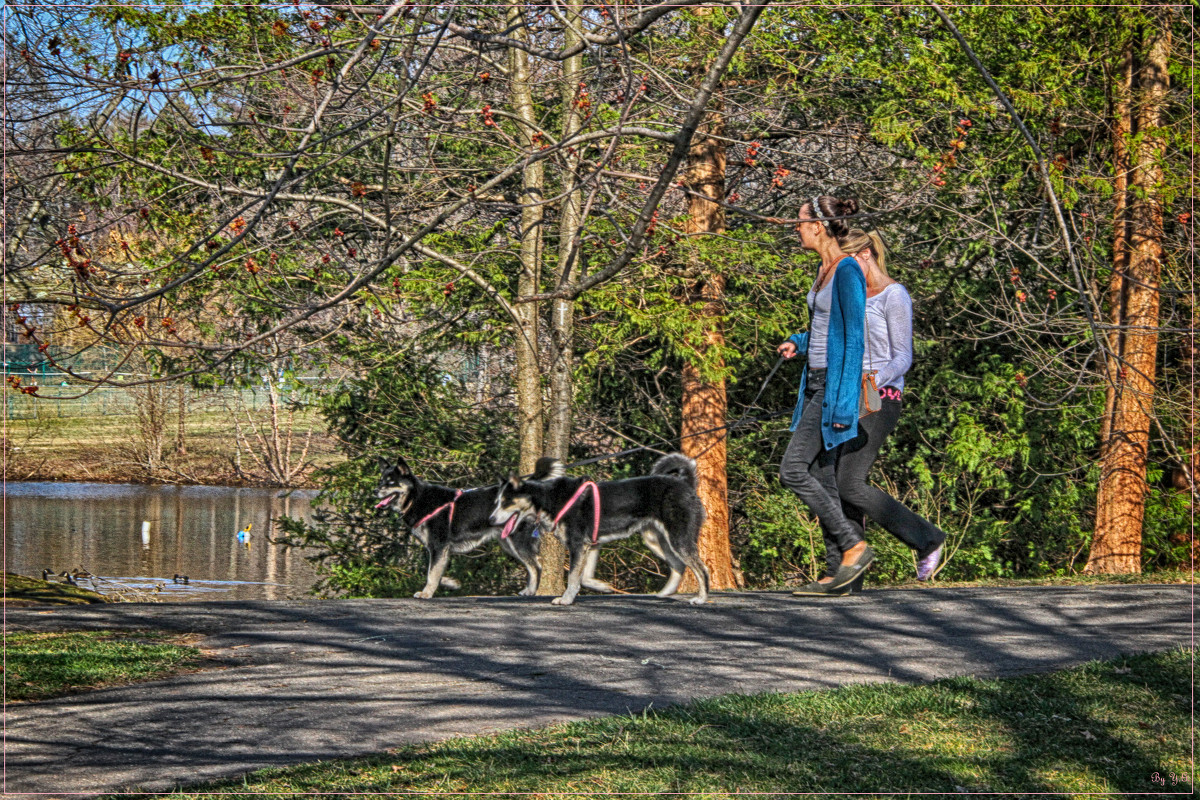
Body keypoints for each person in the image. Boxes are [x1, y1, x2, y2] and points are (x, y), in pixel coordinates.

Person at [808, 229, 947, 594]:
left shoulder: (893, 295)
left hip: (879, 396)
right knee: (831, 480)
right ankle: (846, 572)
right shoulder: (848, 291)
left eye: (850, 262)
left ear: (867, 255)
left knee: (848, 482)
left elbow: (903, 356)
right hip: (842, 394)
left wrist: (869, 379)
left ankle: (926, 538)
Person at [777, 195, 874, 595]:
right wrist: (797, 343)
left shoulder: (848, 270)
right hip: (814, 381)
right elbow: (823, 329)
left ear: (817, 225)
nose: (796, 229)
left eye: (799, 223)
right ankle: (839, 573)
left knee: (793, 469)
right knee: (821, 476)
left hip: (832, 387)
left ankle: (854, 546)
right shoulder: (824, 270)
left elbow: (855, 339)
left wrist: (845, 402)